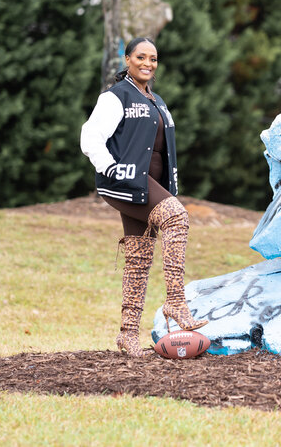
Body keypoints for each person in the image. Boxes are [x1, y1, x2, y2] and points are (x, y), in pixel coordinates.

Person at [80, 37, 207, 357]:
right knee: (177, 217)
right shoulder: (115, 97)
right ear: (127, 59)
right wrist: (110, 168)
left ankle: (127, 335)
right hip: (126, 182)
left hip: (147, 184)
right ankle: (176, 301)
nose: (148, 63)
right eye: (141, 57)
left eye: (153, 58)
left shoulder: (156, 100)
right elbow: (90, 137)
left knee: (138, 257)